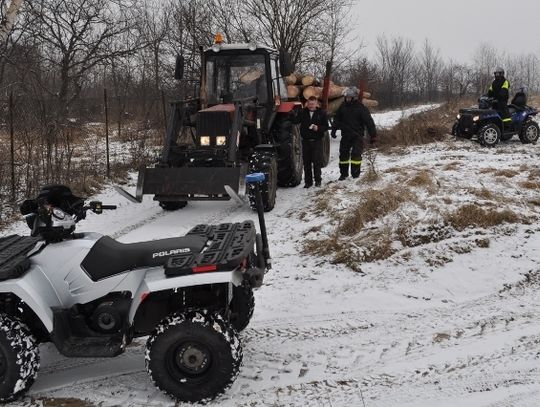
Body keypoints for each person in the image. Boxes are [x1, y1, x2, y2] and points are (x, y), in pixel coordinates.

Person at [331, 87, 377, 181]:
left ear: (354, 98)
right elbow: (337, 119)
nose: (347, 99)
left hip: (357, 136)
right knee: (343, 156)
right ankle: (343, 174)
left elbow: (369, 122)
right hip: (345, 135)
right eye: (346, 97)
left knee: (356, 155)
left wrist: (373, 135)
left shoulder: (361, 108)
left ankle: (355, 175)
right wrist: (334, 129)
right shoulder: (342, 106)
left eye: (349, 97)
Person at [290, 96, 329, 188]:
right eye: (309, 104)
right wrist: (291, 114)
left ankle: (318, 181)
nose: (311, 106)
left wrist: (318, 128)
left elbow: (326, 127)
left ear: (316, 104)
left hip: (317, 141)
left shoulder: (321, 113)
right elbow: (295, 121)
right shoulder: (303, 112)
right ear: (307, 104)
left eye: (313, 104)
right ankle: (308, 182)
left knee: (316, 162)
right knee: (306, 163)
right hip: (306, 141)